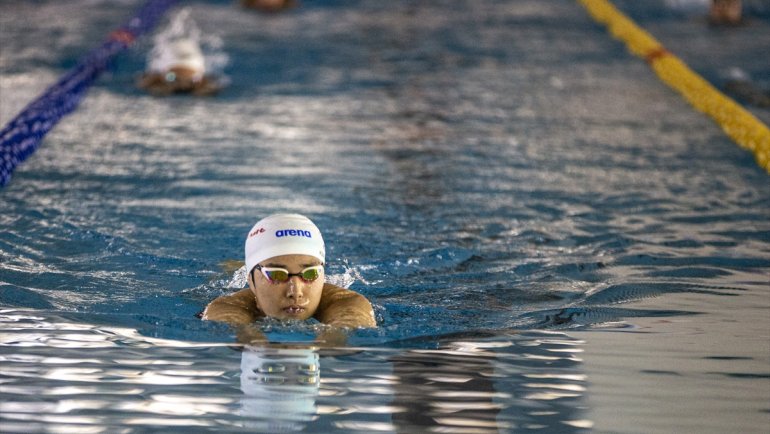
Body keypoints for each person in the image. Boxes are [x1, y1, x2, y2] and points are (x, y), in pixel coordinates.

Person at [202, 214, 377, 329]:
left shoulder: (345, 301)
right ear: (251, 281)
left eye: (310, 273)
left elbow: (349, 329)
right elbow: (228, 330)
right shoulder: (229, 305)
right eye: (277, 274)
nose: (296, 292)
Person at [137, 38, 220, 96]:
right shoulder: (197, 78)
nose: (182, 85)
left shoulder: (198, 79)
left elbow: (144, 83)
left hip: (180, 61)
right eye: (172, 77)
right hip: (182, 61)